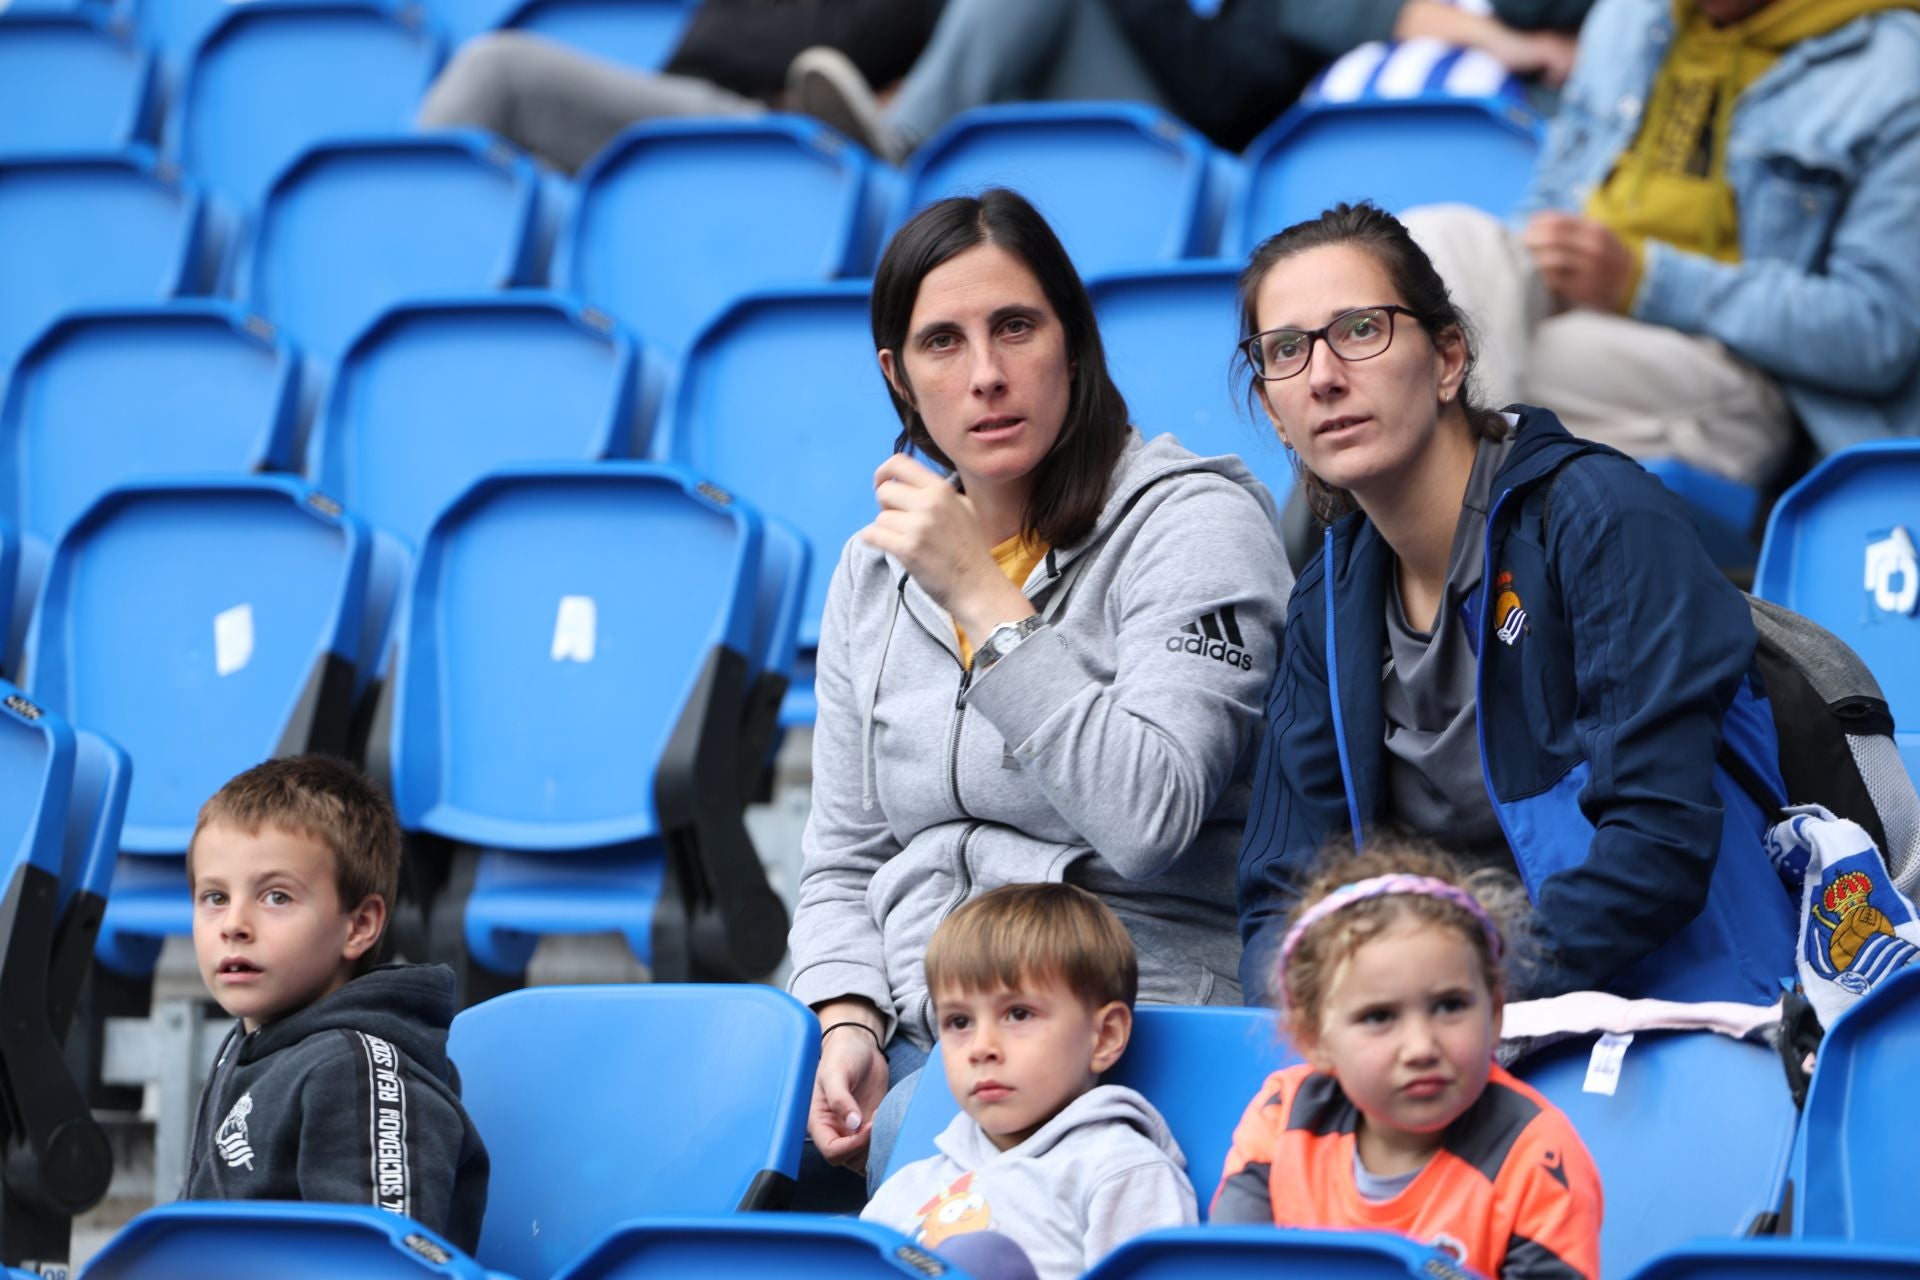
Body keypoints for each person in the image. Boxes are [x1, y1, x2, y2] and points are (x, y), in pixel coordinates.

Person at [790, 187, 1292, 1191]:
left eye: (1015, 327)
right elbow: (844, 858)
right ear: (897, 376)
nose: (985, 373)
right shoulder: (873, 570)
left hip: (1130, 1027)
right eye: (942, 342)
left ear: (1073, 342)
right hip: (938, 1032)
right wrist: (847, 1015)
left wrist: (985, 599)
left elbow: (1149, 813)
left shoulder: (1194, 524)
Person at [1233, 202, 1798, 1008]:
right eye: (1287, 349)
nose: (1323, 375)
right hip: (1448, 1038)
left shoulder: (1598, 517)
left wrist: (1454, 995)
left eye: (1361, 330)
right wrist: (1339, 1017)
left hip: (1683, 1013)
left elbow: (1657, 845)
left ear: (1448, 359)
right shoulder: (1328, 596)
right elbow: (1281, 900)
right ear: (1274, 412)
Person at [1401, 0, 1920, 485]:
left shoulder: (1894, 68)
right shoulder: (1630, 13)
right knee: (1439, 239)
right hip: (1574, 306)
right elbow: (1553, 192)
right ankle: (1464, 529)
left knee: (1433, 370)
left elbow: (1877, 335)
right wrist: (1536, 258)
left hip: (1733, 370)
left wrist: (1645, 281)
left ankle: (1435, 529)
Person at [1215, 841, 1603, 1280]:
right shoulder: (1283, 1116)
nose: (1421, 1047)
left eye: (1450, 1006)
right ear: (1315, 1038)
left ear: (1495, 1015)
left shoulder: (1538, 1156)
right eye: (1379, 1017)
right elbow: (1229, 1268)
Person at [183, 756, 489, 1251]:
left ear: (359, 926)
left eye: (276, 897)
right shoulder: (245, 1046)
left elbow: (385, 1260)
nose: (233, 924)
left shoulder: (355, 1070)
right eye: (214, 897)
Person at [862, 884, 1196, 1280]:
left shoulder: (1122, 1172)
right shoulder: (906, 1187)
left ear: (1104, 1036)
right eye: (959, 1022)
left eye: (1019, 1014)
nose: (981, 1048)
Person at [791, 0, 1587, 161]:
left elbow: (1234, 90)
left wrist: (1509, 40)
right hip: (1142, 101)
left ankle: (902, 142)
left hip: (1208, 141)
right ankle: (902, 142)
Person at [415, 0, 943, 172]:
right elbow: (715, 44)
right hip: (701, 101)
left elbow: (856, 40)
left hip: (780, 125)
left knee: (496, 70)